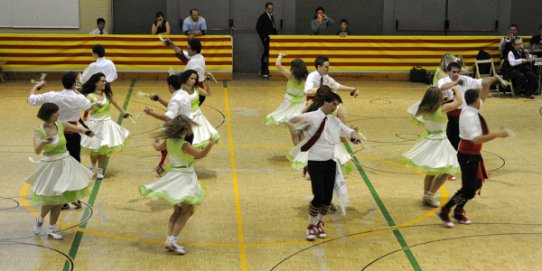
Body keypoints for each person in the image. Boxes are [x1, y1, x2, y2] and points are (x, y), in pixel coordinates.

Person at [288, 91, 361, 241]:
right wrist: (300, 128)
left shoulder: (335, 122)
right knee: (318, 196)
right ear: (326, 103)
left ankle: (320, 223)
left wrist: (354, 133)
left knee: (327, 198)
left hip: (330, 162)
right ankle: (310, 225)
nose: (335, 107)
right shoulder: (312, 116)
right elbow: (292, 121)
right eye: (334, 104)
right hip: (315, 162)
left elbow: (347, 131)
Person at [139, 115, 216, 255]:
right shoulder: (184, 145)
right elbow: (201, 154)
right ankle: (173, 240)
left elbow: (157, 147)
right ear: (184, 130)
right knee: (187, 210)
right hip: (184, 178)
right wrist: (211, 143)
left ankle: (170, 239)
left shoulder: (168, 142)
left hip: (174, 175)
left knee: (177, 211)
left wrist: (155, 140)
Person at [438, 88, 509, 228]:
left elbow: (482, 98)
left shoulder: (469, 107)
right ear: (476, 101)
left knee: (476, 184)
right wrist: (497, 134)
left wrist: (487, 83)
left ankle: (458, 211)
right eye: (479, 99)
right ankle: (445, 209)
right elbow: (476, 139)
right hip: (468, 155)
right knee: (469, 190)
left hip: (474, 154)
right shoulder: (469, 116)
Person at [26, 103, 93, 240]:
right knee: (52, 199)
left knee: (60, 199)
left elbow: (77, 128)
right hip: (50, 167)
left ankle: (51, 229)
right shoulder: (39, 131)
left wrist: (86, 131)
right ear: (49, 114)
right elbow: (37, 150)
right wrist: (44, 141)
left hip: (65, 164)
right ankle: (40, 218)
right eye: (56, 112)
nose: (58, 114)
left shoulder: (60, 124)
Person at [28, 72, 92, 209]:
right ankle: (73, 197)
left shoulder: (52, 95)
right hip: (73, 133)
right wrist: (77, 92)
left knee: (58, 168)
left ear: (62, 83)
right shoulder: (79, 98)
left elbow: (31, 100)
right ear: (74, 84)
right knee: (72, 167)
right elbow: (88, 106)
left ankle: (61, 199)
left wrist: (37, 86)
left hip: (56, 134)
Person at [402, 86, 462, 207]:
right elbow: (459, 101)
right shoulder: (443, 109)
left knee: (431, 171)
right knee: (445, 170)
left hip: (429, 140)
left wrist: (441, 99)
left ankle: (426, 195)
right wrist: (456, 88)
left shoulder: (424, 109)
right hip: (440, 142)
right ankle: (430, 195)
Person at [80, 73, 131, 179]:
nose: (104, 83)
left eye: (105, 81)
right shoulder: (90, 96)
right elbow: (86, 108)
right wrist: (94, 105)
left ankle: (100, 170)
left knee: (104, 149)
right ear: (96, 83)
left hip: (106, 124)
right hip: (94, 124)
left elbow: (116, 103)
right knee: (94, 149)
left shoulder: (107, 94)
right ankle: (93, 164)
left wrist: (124, 112)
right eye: (102, 81)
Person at [438, 62, 499, 150]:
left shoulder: (465, 79)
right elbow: (442, 87)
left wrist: (494, 78)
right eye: (454, 72)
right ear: (448, 72)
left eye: (458, 72)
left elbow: (482, 82)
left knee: (461, 138)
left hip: (463, 113)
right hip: (450, 114)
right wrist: (456, 82)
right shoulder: (443, 81)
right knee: (452, 139)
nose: (456, 74)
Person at [144, 74, 192, 175]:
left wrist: (151, 113)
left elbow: (167, 117)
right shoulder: (184, 94)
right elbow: (172, 106)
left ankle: (164, 168)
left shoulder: (175, 99)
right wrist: (158, 98)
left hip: (178, 131)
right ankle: (162, 166)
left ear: (170, 86)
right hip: (188, 129)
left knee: (161, 147)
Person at [265, 53, 308, 146]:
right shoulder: (307, 79)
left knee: (294, 133)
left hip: (288, 105)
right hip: (301, 105)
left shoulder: (291, 76)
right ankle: (304, 153)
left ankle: (297, 153)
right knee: (302, 131)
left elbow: (277, 64)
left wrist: (280, 55)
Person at [304, 56, 359, 123]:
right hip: (314, 104)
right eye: (326, 67)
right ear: (319, 67)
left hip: (323, 103)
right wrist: (324, 89)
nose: (328, 69)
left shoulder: (325, 76)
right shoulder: (312, 76)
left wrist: (352, 89)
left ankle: (342, 129)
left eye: (328, 67)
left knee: (339, 111)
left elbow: (336, 86)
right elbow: (307, 91)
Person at [179, 69, 220, 148]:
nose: (193, 81)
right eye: (191, 78)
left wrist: (207, 83)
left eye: (195, 79)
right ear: (186, 78)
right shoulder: (181, 89)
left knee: (199, 136)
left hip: (198, 115)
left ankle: (193, 152)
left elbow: (208, 93)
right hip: (186, 116)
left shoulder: (196, 88)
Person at [162, 38, 207, 105]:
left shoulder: (194, 62)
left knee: (180, 111)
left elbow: (183, 78)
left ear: (194, 50)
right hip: (199, 91)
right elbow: (182, 53)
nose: (187, 50)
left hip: (195, 93)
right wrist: (172, 44)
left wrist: (172, 75)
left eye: (188, 48)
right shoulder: (199, 56)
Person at [256, 2, 278, 78]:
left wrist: (276, 37)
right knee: (266, 54)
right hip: (266, 39)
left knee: (269, 54)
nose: (270, 10)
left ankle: (268, 70)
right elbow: (258, 28)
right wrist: (264, 37)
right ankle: (263, 71)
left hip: (272, 39)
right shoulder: (262, 17)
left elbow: (273, 28)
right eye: (269, 9)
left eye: (271, 9)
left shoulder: (271, 17)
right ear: (266, 8)